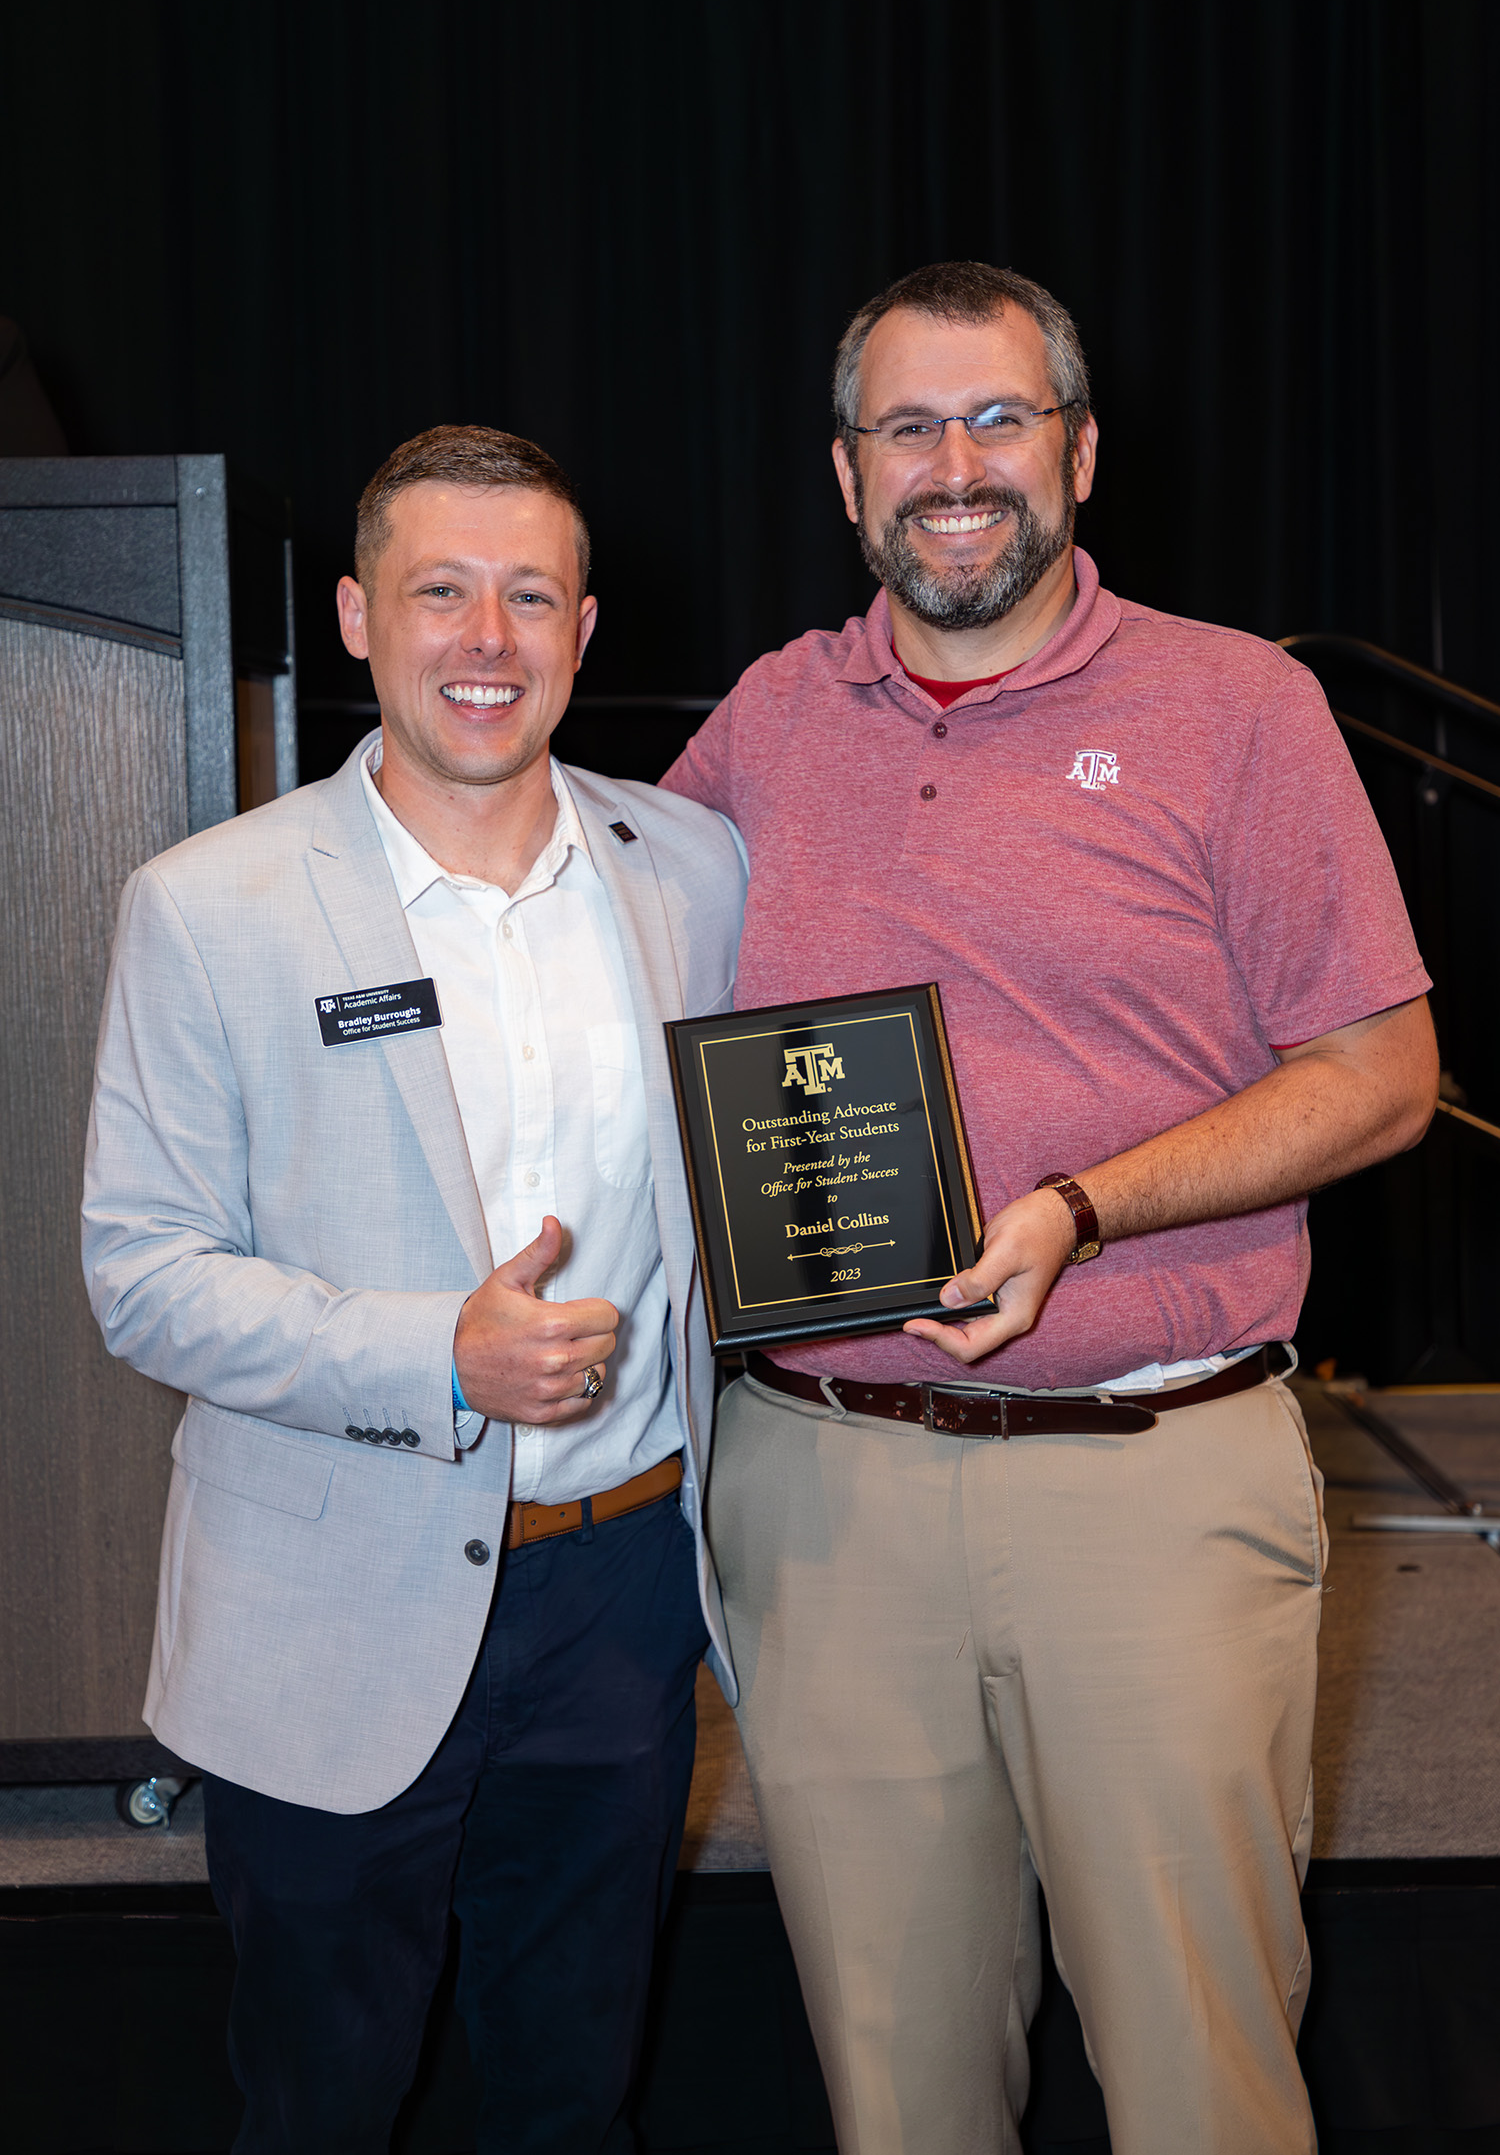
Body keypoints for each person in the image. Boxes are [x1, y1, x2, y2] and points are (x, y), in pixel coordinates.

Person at [663, 264, 1437, 2155]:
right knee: (895, 2083)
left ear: (1080, 452)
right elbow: (607, 974)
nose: (956, 466)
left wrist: (1083, 1206)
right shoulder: (768, 722)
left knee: (1201, 2076)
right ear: (847, 477)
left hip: (1148, 1481)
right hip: (823, 1490)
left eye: (997, 419)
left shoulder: (1236, 706)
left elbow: (1382, 1074)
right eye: (907, 427)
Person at [83, 425, 746, 2154]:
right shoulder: (207, 905)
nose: (486, 638)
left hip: (618, 1594)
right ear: (357, 616)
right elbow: (141, 1274)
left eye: (530, 595)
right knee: (317, 2098)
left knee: (570, 2090)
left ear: (585, 629)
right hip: (324, 1590)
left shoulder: (693, 870)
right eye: (439, 591)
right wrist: (435, 1353)